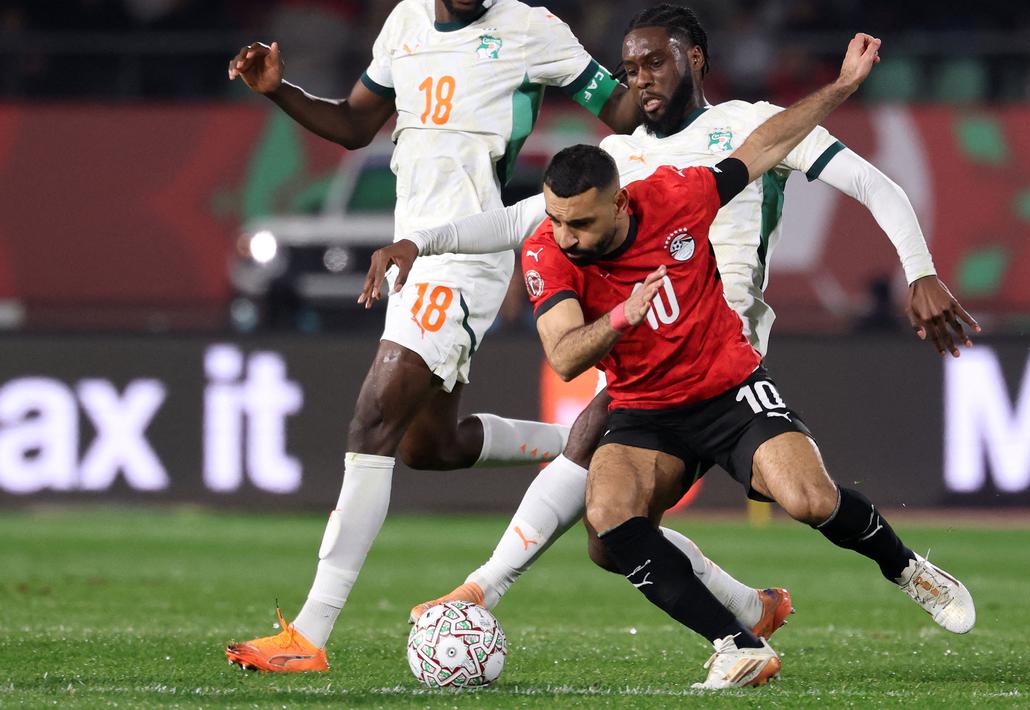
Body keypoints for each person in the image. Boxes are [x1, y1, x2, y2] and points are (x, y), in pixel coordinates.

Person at [372, 32, 979, 689]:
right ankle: (738, 642)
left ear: (621, 204)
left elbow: (767, 145)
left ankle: (904, 567)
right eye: (557, 222)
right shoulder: (552, 245)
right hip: (645, 409)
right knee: (609, 524)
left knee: (808, 500)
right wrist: (615, 315)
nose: (565, 238)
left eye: (580, 225)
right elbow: (565, 354)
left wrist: (841, 88)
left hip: (727, 384)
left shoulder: (680, 194)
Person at [220, 0, 732, 673]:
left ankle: (309, 634)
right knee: (426, 446)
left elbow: (623, 114)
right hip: (412, 248)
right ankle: (584, 446)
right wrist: (278, 91)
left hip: (465, 253)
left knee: (372, 418)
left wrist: (686, 107)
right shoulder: (404, 22)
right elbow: (353, 125)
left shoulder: (531, 29)